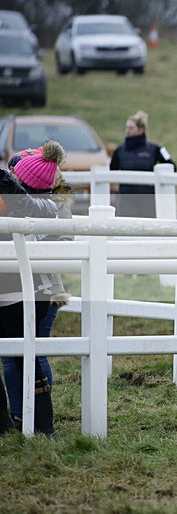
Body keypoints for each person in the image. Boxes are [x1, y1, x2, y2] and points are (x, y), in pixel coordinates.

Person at [1, 146, 73, 430]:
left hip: (39, 289)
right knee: (18, 356)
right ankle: (24, 416)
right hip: (25, 287)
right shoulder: (37, 202)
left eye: (16, 174)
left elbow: (63, 242)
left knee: (30, 355)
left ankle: (32, 418)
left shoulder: (45, 205)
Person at [110, 110, 176, 218]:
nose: (127, 131)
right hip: (126, 200)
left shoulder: (155, 149)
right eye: (127, 127)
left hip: (148, 200)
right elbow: (111, 172)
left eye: (131, 128)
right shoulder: (119, 150)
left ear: (141, 129)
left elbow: (172, 166)